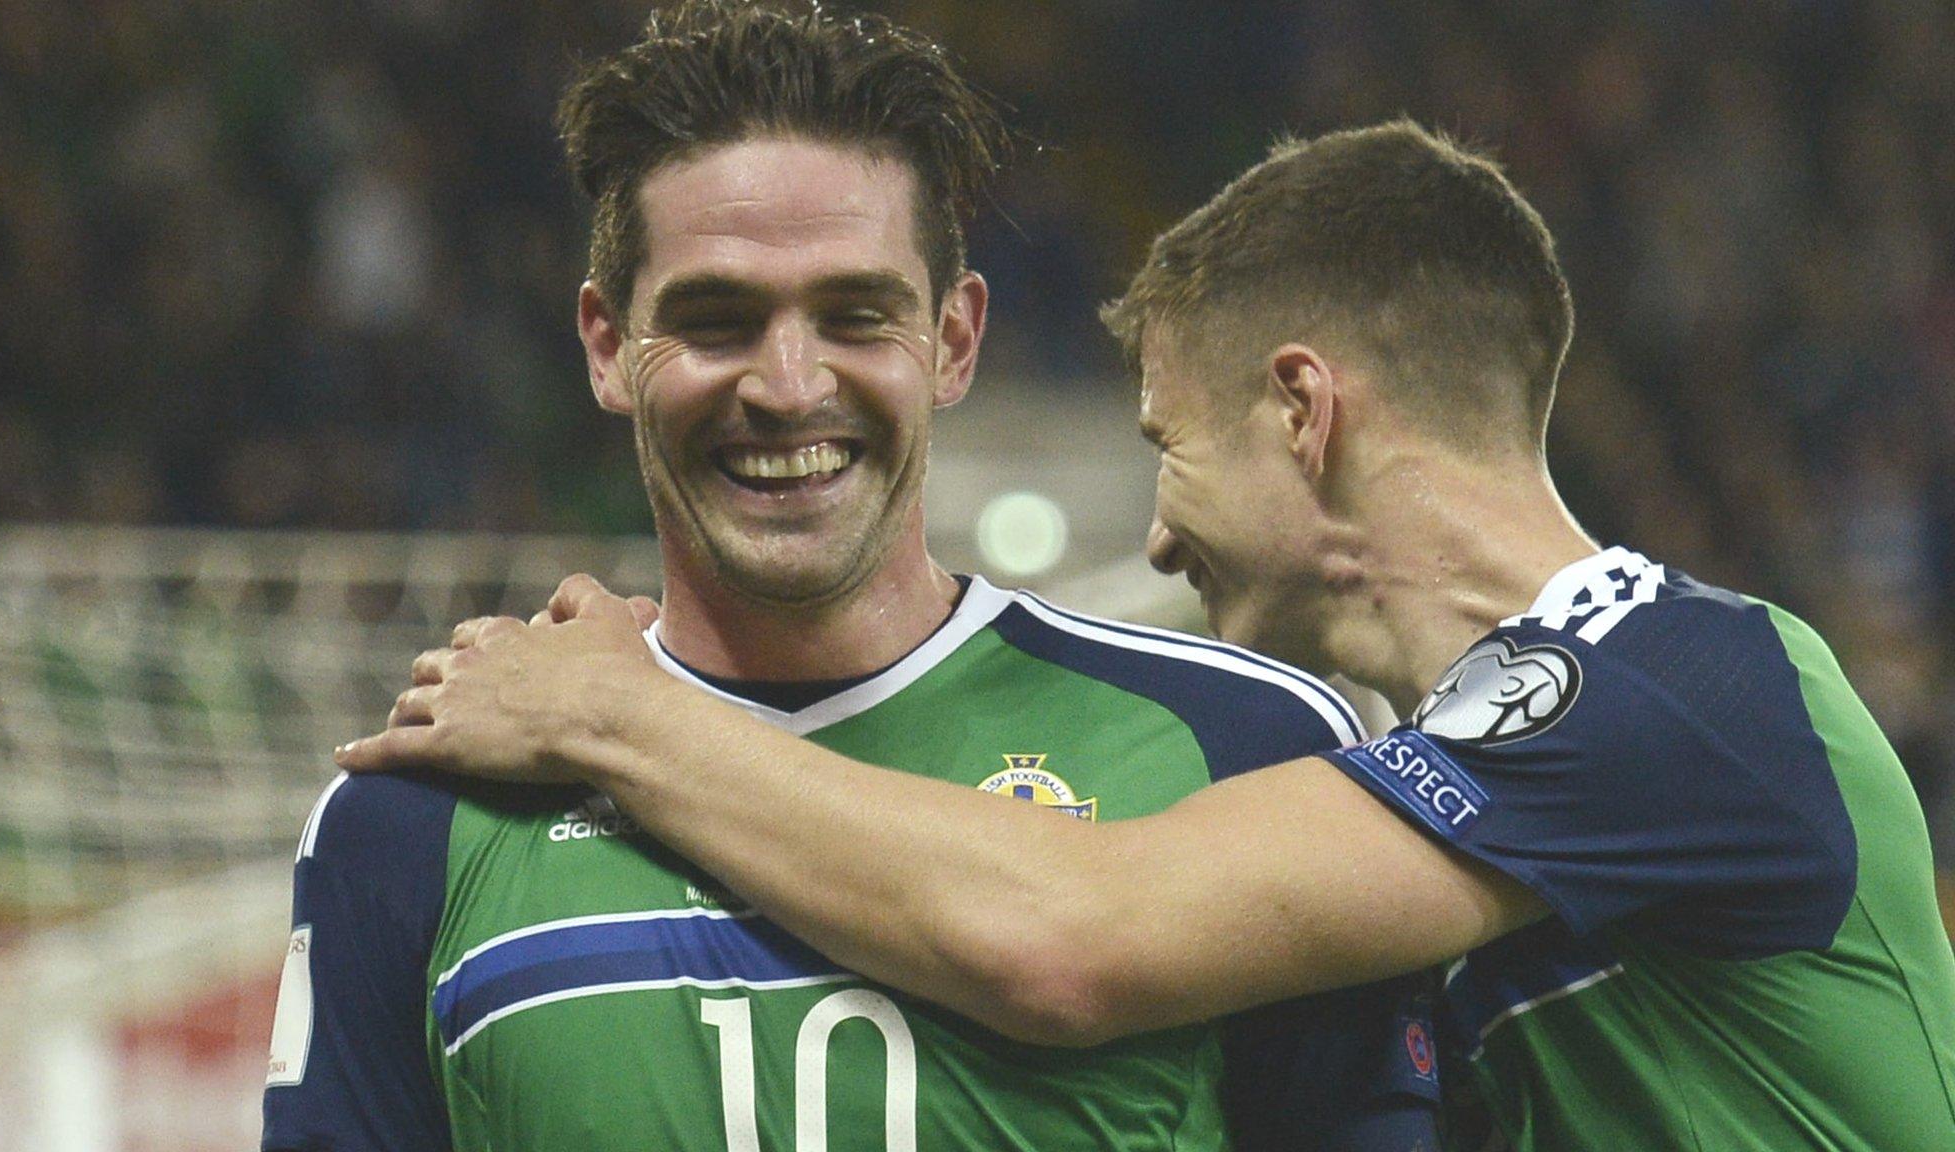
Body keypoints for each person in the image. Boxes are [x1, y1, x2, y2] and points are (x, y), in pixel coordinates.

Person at [342, 118, 1955, 1151]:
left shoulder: (1675, 683)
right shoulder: (1493, 760)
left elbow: (1070, 935)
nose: (1162, 531)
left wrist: (623, 714)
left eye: (1164, 445)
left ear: (1301, 411)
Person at [268, 5, 1444, 1149]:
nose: (787, 384)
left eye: (854, 314)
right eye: (717, 319)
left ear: (952, 339)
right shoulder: (413, 823)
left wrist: (616, 717)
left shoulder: (1242, 747)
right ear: (606, 347)